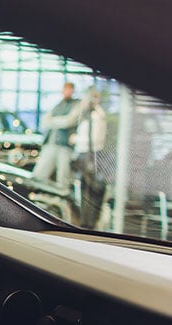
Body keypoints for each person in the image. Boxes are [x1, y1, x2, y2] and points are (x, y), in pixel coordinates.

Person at [31, 82, 82, 191]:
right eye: (65, 89)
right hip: (50, 143)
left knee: (63, 176)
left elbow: (69, 121)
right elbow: (45, 120)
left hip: (65, 146)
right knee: (39, 173)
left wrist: (53, 121)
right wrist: (59, 121)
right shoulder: (58, 105)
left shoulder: (77, 104)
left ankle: (62, 201)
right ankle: (38, 194)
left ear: (73, 91)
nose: (67, 92)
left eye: (70, 89)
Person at [71, 87, 108, 228]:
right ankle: (85, 221)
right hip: (84, 155)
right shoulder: (89, 114)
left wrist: (76, 139)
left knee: (90, 191)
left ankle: (88, 223)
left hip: (90, 155)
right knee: (85, 190)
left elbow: (95, 140)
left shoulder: (97, 116)